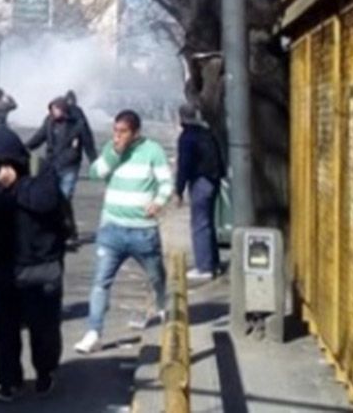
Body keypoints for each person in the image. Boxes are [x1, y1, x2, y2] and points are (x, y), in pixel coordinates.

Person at [0, 127, 67, 403]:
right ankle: (9, 381)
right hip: (4, 267)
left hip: (41, 265)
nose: (4, 168)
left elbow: (46, 202)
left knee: (44, 329)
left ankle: (45, 371)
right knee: (2, 331)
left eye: (9, 162)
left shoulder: (40, 172)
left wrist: (15, 185)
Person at [74, 110, 173, 354]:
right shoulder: (112, 150)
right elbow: (96, 173)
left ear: (136, 133)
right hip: (112, 230)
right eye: (115, 131)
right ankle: (94, 332)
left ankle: (163, 306)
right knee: (100, 282)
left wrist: (159, 202)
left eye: (123, 132)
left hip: (143, 231)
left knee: (156, 276)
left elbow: (166, 182)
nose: (117, 136)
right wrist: (114, 152)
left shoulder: (152, 151)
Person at [26, 97, 98, 243]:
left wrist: (95, 163)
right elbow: (39, 137)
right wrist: (24, 147)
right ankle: (63, 232)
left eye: (57, 109)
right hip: (52, 165)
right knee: (54, 200)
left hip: (70, 166)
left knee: (64, 199)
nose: (54, 112)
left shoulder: (78, 123)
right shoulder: (49, 121)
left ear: (64, 110)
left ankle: (67, 234)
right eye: (52, 109)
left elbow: (88, 143)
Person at [174, 103, 224, 280]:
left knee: (199, 224)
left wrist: (178, 190)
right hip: (213, 180)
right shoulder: (207, 133)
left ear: (181, 117)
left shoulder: (187, 137)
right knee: (208, 223)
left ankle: (204, 267)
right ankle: (214, 263)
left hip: (200, 182)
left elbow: (184, 165)